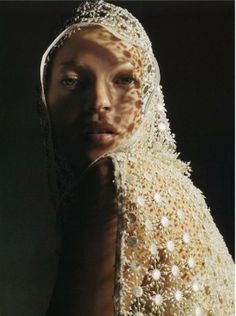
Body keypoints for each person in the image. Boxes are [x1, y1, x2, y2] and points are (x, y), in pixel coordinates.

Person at [38, 1, 234, 315]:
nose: (99, 102)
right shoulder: (176, 188)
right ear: (44, 97)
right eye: (72, 81)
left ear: (148, 96)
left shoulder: (113, 181)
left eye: (124, 79)